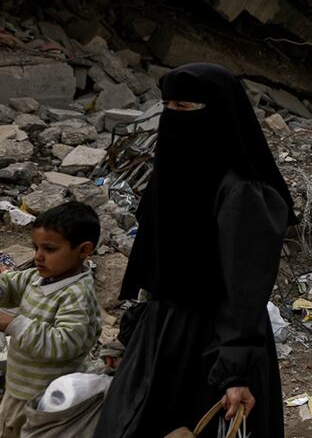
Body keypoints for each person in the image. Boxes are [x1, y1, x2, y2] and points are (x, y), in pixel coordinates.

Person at [96, 64, 293, 438]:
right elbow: (157, 266)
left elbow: (245, 292)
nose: (172, 118)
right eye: (167, 106)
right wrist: (134, 332)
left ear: (217, 114)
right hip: (161, 333)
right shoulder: (170, 179)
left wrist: (235, 372)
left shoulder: (242, 194)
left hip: (211, 344)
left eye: (184, 108)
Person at [0, 203, 101, 437]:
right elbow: (10, 284)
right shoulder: (39, 277)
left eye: (50, 249)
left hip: (43, 400)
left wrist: (11, 323)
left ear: (84, 250)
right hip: (19, 387)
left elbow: (63, 343)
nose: (38, 257)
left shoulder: (76, 295)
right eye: (35, 247)